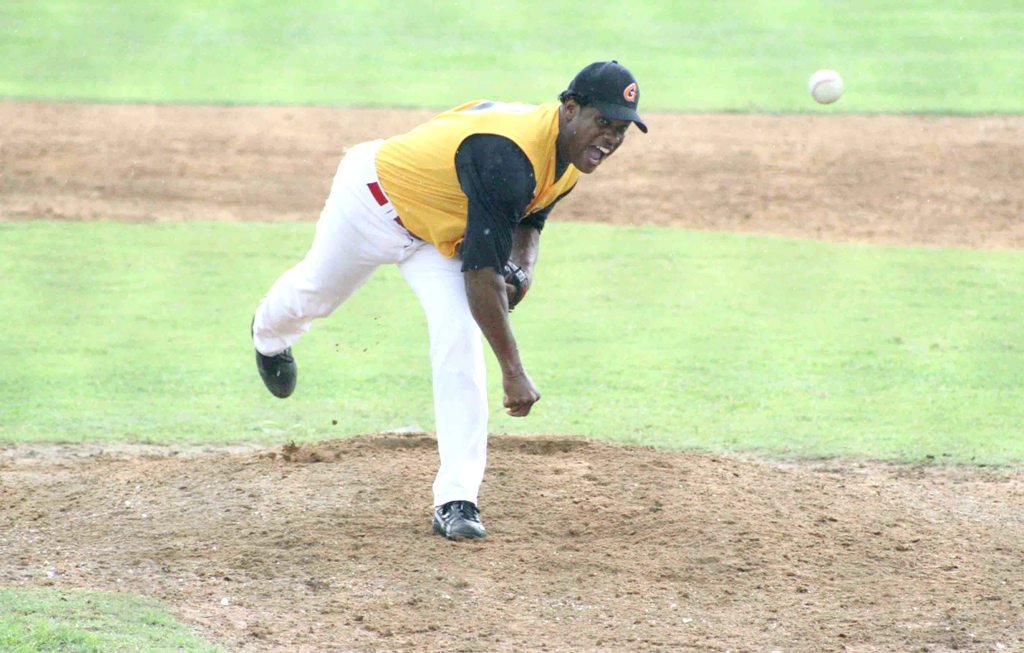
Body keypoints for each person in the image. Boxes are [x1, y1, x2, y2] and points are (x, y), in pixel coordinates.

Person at [251, 61, 647, 540]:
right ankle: (268, 335)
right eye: (603, 122)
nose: (611, 138)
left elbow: (531, 219)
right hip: (372, 203)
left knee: (459, 339)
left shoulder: (571, 156)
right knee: (315, 294)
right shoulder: (508, 155)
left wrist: (522, 271)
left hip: (439, 235)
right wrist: (513, 372)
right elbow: (481, 275)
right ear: (569, 109)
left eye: (621, 129)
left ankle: (457, 498)